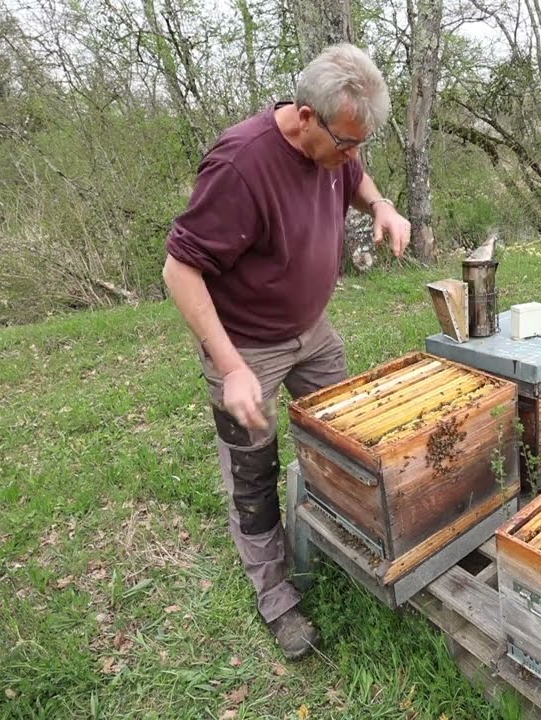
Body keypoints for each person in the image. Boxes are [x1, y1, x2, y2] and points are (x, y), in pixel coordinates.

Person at [161, 44, 411, 660]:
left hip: (312, 331)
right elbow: (179, 271)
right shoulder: (241, 166)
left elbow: (355, 179)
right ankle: (276, 597)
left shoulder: (337, 146)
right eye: (348, 144)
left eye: (361, 145)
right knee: (253, 474)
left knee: (349, 431)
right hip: (247, 344)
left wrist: (380, 203)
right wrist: (232, 367)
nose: (354, 158)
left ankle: (345, 537)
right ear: (304, 116)